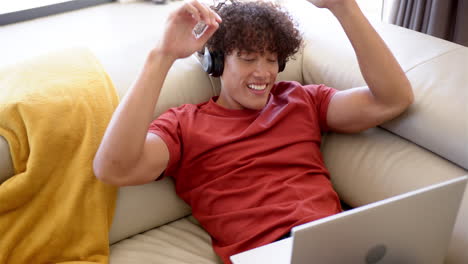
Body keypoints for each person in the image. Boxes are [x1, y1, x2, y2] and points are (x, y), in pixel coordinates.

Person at [93, 0, 414, 263]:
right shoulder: (185, 124)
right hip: (268, 253)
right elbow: (113, 167)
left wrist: (344, 7)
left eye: (271, 59)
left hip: (339, 240)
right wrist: (161, 56)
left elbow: (392, 99)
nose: (262, 72)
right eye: (247, 59)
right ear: (216, 64)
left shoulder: (300, 98)